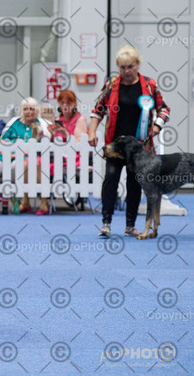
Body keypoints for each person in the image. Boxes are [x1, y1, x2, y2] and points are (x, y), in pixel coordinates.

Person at [88, 46, 170, 237]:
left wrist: (157, 126)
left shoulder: (149, 85)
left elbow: (164, 109)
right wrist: (92, 131)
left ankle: (130, 225)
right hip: (115, 146)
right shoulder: (111, 85)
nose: (127, 71)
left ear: (138, 64)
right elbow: (98, 110)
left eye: (130, 66)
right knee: (110, 181)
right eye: (123, 67)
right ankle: (106, 223)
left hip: (140, 146)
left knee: (134, 184)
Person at [0, 97, 51, 214]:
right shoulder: (14, 122)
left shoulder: (41, 124)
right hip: (10, 156)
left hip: (34, 156)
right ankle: (23, 201)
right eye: (25, 109)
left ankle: (36, 201)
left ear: (37, 111)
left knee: (28, 164)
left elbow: (45, 142)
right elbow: (2, 140)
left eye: (31, 109)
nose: (28, 112)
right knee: (0, 166)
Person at [47, 89, 88, 173]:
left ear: (75, 104)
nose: (65, 105)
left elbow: (79, 145)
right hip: (59, 155)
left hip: (74, 157)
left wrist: (65, 133)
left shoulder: (80, 119)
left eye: (68, 103)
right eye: (62, 103)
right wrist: (51, 134)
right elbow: (55, 143)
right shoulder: (58, 120)